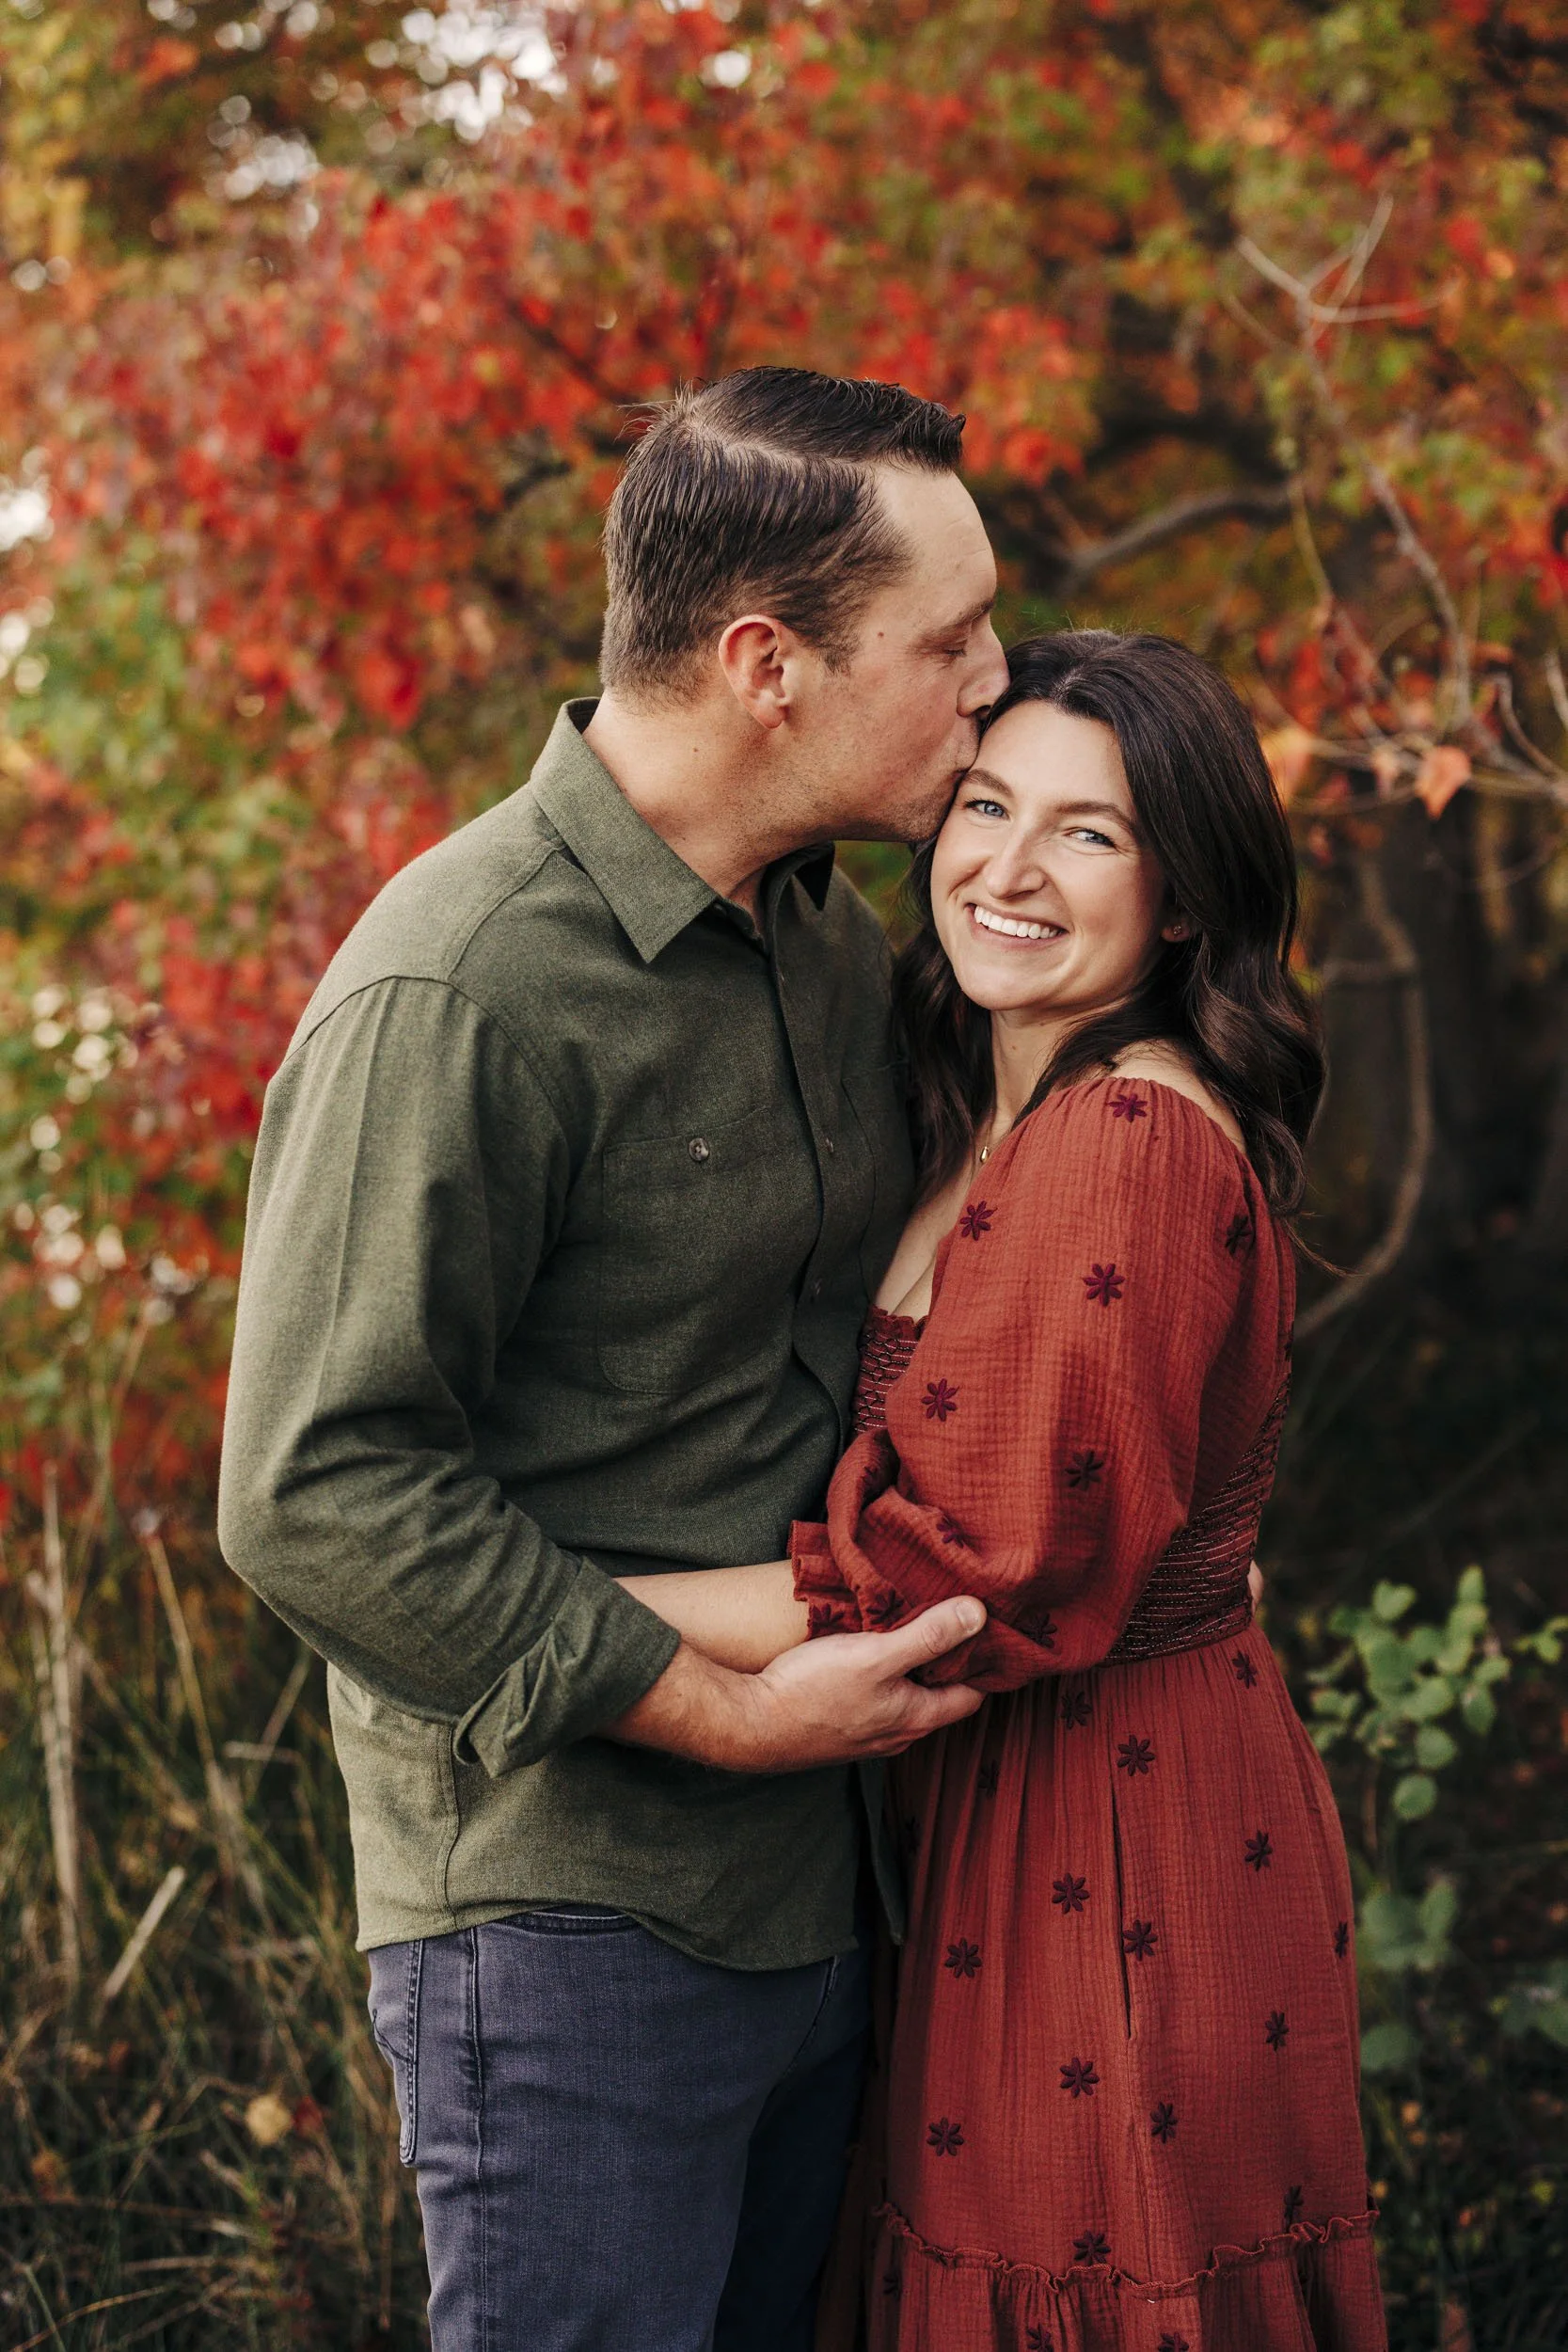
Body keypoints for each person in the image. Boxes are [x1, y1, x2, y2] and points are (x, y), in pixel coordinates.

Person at [216, 367, 1008, 2352]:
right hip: (563, 1924)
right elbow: (311, 1494)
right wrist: (735, 1716)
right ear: (766, 661)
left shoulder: (832, 943)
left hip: (828, 1892)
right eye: (950, 641)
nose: (993, 677)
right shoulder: (458, 983)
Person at [631, 631, 1386, 2349]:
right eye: (985, 805)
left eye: (1090, 834)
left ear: (1183, 896)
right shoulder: (975, 1108)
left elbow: (945, 1580)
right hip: (991, 1815)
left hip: (1115, 1829)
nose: (1010, 868)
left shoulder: (1123, 1141)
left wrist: (534, 1608)